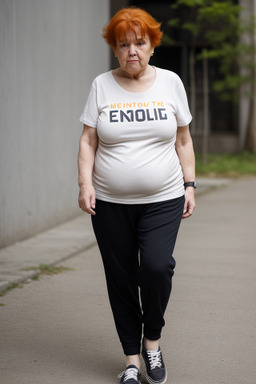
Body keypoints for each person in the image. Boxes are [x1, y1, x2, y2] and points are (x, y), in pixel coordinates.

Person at [78, 7, 196, 384]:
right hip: (111, 204)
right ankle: (132, 360)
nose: (132, 50)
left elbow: (183, 139)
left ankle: (152, 342)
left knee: (158, 268)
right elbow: (88, 140)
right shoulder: (101, 85)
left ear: (152, 46)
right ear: (114, 49)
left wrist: (190, 184)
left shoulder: (171, 83)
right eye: (123, 44)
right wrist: (85, 185)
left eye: (139, 43)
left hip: (163, 198)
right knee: (121, 277)